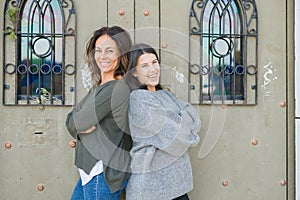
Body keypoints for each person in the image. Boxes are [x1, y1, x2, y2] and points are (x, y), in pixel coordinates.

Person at [124, 43, 201, 200]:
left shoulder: (166, 95)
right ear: (134, 73)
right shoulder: (139, 99)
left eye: (154, 62)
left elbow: (195, 117)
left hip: (177, 185)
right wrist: (181, 119)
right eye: (144, 66)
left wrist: (179, 121)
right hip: (151, 189)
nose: (152, 70)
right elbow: (176, 137)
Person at [65, 26, 132, 200]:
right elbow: (72, 120)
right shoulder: (99, 87)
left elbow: (76, 122)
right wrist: (77, 124)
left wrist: (77, 124)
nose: (102, 56)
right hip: (90, 173)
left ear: (122, 54)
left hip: (102, 174)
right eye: (99, 50)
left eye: (110, 51)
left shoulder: (115, 89)